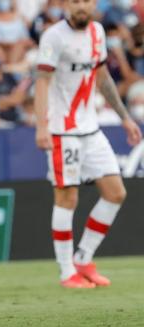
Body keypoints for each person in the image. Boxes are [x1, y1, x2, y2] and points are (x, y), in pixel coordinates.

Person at [34, 0, 142, 289]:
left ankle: (84, 258)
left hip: (90, 129)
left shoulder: (97, 31)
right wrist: (42, 126)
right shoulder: (54, 36)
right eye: (75, 1)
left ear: (93, 4)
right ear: (67, 5)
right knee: (67, 198)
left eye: (86, 1)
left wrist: (125, 118)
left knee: (116, 193)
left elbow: (102, 76)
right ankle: (66, 271)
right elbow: (42, 81)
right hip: (62, 130)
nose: (81, 6)